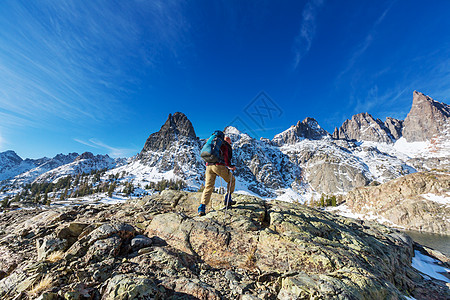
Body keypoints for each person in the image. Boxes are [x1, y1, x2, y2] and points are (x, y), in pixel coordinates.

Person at [198, 136, 236, 216]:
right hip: (219, 166)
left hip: (208, 166)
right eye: (230, 142)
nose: (231, 144)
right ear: (228, 141)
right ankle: (227, 199)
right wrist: (230, 166)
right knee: (231, 180)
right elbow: (226, 156)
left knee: (208, 187)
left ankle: (202, 208)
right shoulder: (225, 145)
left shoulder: (213, 144)